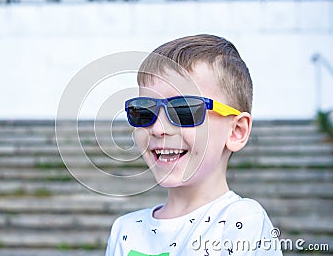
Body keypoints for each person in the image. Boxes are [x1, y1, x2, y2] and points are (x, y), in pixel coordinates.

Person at [105, 34, 283, 255]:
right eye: (144, 111)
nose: (159, 128)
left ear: (236, 131)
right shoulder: (125, 230)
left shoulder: (241, 220)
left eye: (184, 110)